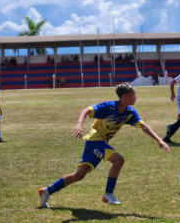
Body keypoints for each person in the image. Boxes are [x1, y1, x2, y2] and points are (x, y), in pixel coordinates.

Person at [38, 82, 170, 208]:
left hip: (99, 143)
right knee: (119, 160)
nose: (136, 97)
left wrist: (159, 139)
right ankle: (108, 194)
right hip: (94, 141)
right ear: (125, 97)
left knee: (79, 175)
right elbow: (86, 110)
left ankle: (47, 191)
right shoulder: (108, 107)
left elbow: (143, 126)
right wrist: (79, 124)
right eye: (133, 94)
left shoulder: (129, 112)